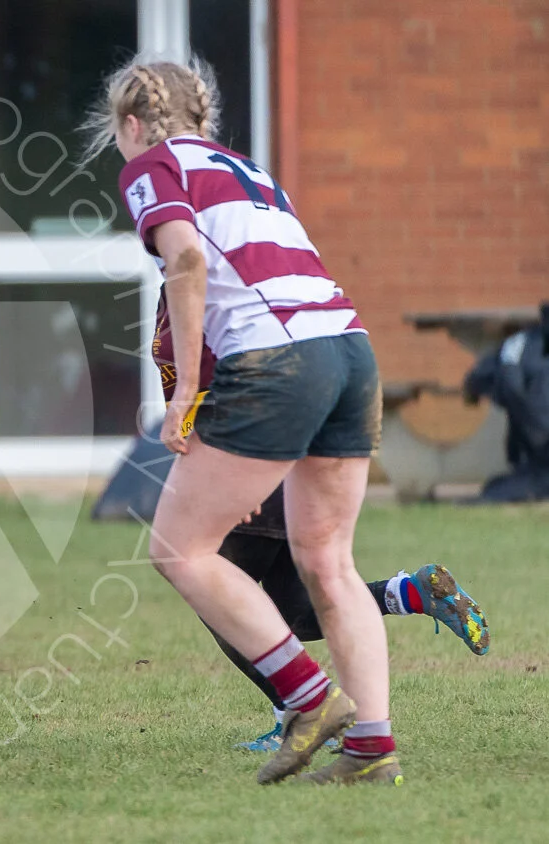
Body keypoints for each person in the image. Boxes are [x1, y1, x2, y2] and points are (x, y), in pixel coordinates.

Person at [87, 56, 401, 785]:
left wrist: (187, 389)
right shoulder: (247, 169)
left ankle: (310, 699)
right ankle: (372, 748)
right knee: (328, 562)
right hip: (351, 351)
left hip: (280, 362)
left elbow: (187, 262)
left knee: (180, 549)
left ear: (132, 125)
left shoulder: (152, 166)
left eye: (118, 136)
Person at [152, 294, 490, 752]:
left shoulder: (206, 284)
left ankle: (299, 714)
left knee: (220, 601)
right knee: (293, 609)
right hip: (274, 442)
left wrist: (233, 476)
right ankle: (411, 591)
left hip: (250, 449)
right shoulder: (190, 284)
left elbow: (237, 379)